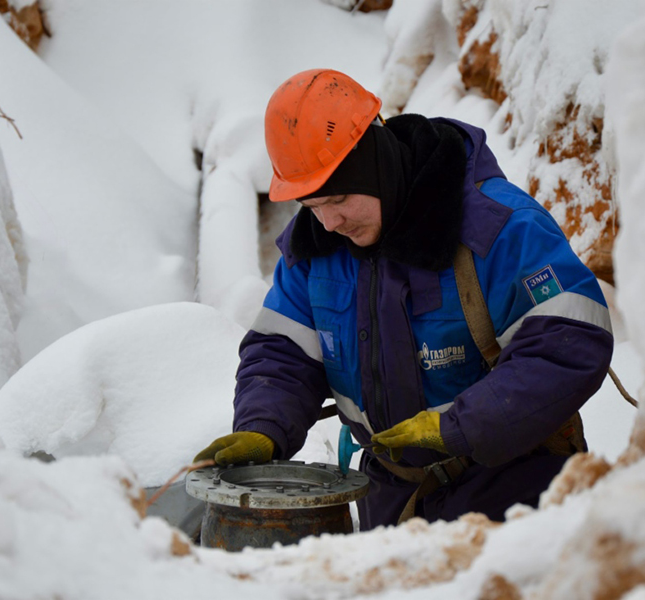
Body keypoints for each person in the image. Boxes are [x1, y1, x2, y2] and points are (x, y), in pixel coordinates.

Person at [194, 69, 613, 530]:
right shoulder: (317, 249)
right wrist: (262, 426)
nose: (330, 222)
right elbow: (282, 352)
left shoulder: (494, 225)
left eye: (338, 198)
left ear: (375, 161)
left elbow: (570, 340)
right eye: (312, 206)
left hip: (513, 496)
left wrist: (459, 426)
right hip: (392, 500)